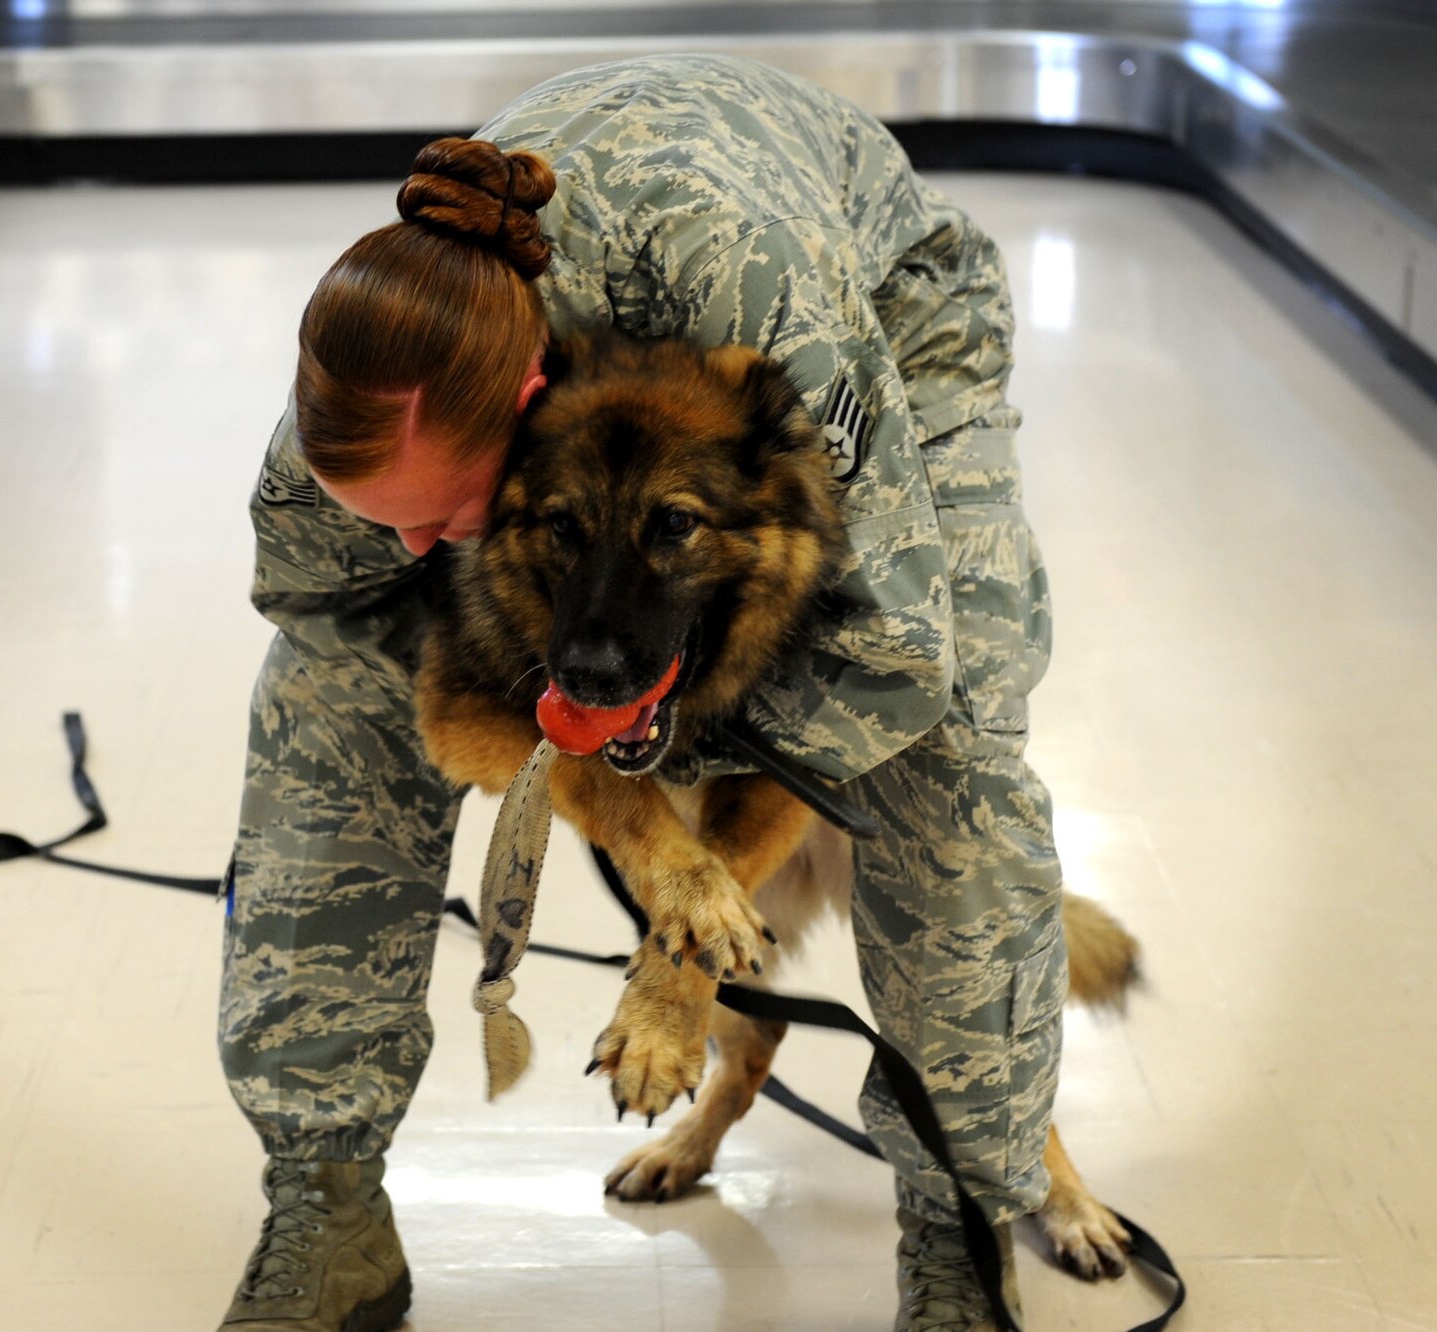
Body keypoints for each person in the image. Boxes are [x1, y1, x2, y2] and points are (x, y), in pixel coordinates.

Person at [218, 54, 1065, 1332]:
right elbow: (326, 610)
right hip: (573, 357)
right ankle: (323, 1200)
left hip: (885, 316)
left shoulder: (768, 301)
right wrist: (614, 793)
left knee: (947, 754)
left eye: (440, 511)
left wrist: (685, 949)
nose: (408, 545)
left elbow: (880, 663)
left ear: (520, 409)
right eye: (382, 518)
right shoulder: (370, 385)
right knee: (329, 702)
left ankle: (958, 1210)